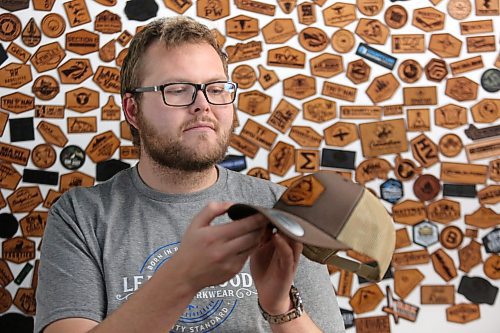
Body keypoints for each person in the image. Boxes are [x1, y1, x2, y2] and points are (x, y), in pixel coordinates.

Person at [35, 16, 345, 333]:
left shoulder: (281, 206)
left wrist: (280, 307)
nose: (202, 104)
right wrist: (182, 277)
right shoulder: (80, 216)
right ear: (133, 110)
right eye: (178, 89)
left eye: (216, 88)